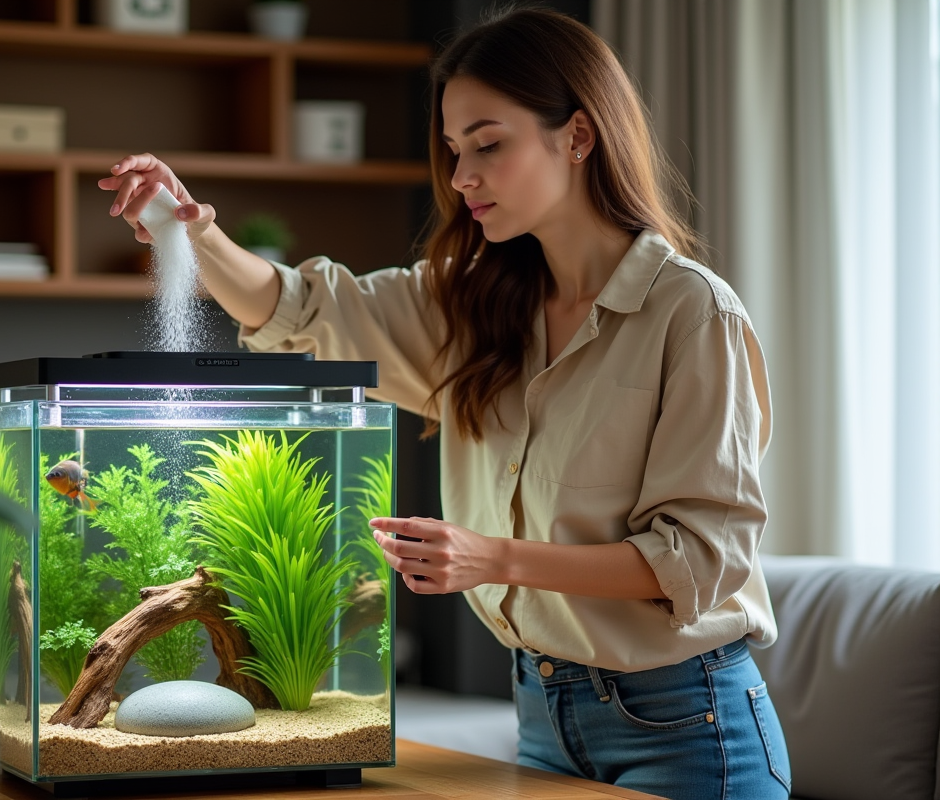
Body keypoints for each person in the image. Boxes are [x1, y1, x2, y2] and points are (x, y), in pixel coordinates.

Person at [98, 6, 791, 798]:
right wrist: (193, 230)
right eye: (456, 150)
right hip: (543, 712)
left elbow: (699, 561)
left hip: (688, 724)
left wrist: (493, 558)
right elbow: (305, 310)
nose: (462, 177)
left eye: (488, 145)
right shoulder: (470, 305)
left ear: (577, 135)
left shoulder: (692, 313)